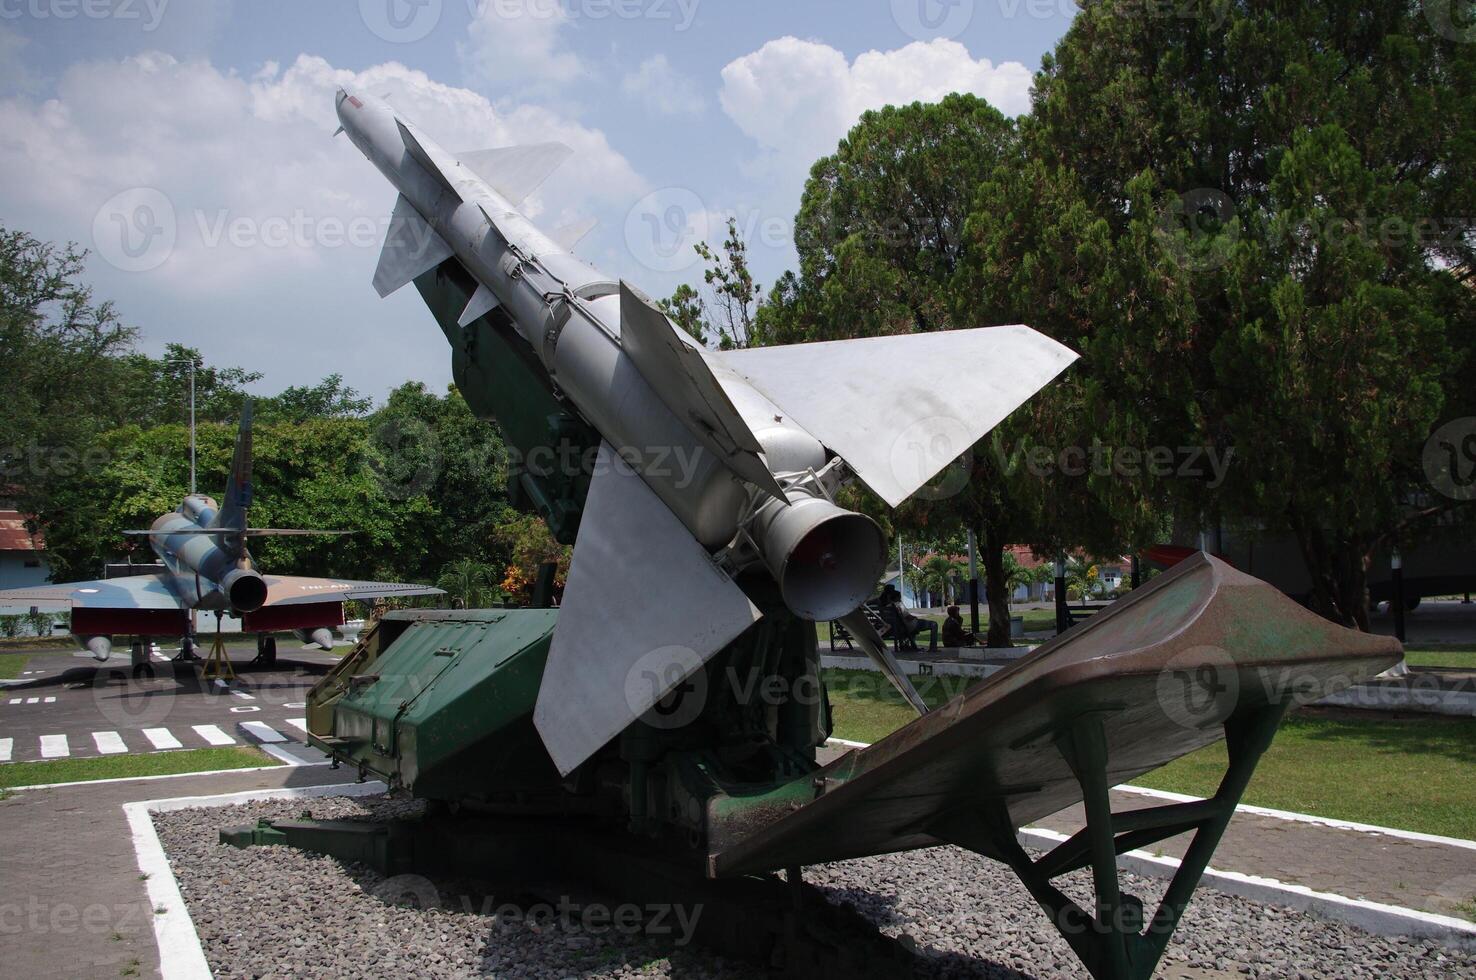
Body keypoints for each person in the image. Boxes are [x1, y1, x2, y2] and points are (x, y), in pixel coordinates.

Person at [878, 585, 938, 652]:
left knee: (911, 626)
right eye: (899, 597)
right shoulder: (898, 605)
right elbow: (908, 617)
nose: (900, 599)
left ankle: (908, 646)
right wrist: (915, 617)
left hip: (894, 628)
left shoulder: (884, 607)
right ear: (896, 597)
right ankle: (933, 648)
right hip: (908, 626)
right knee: (934, 624)